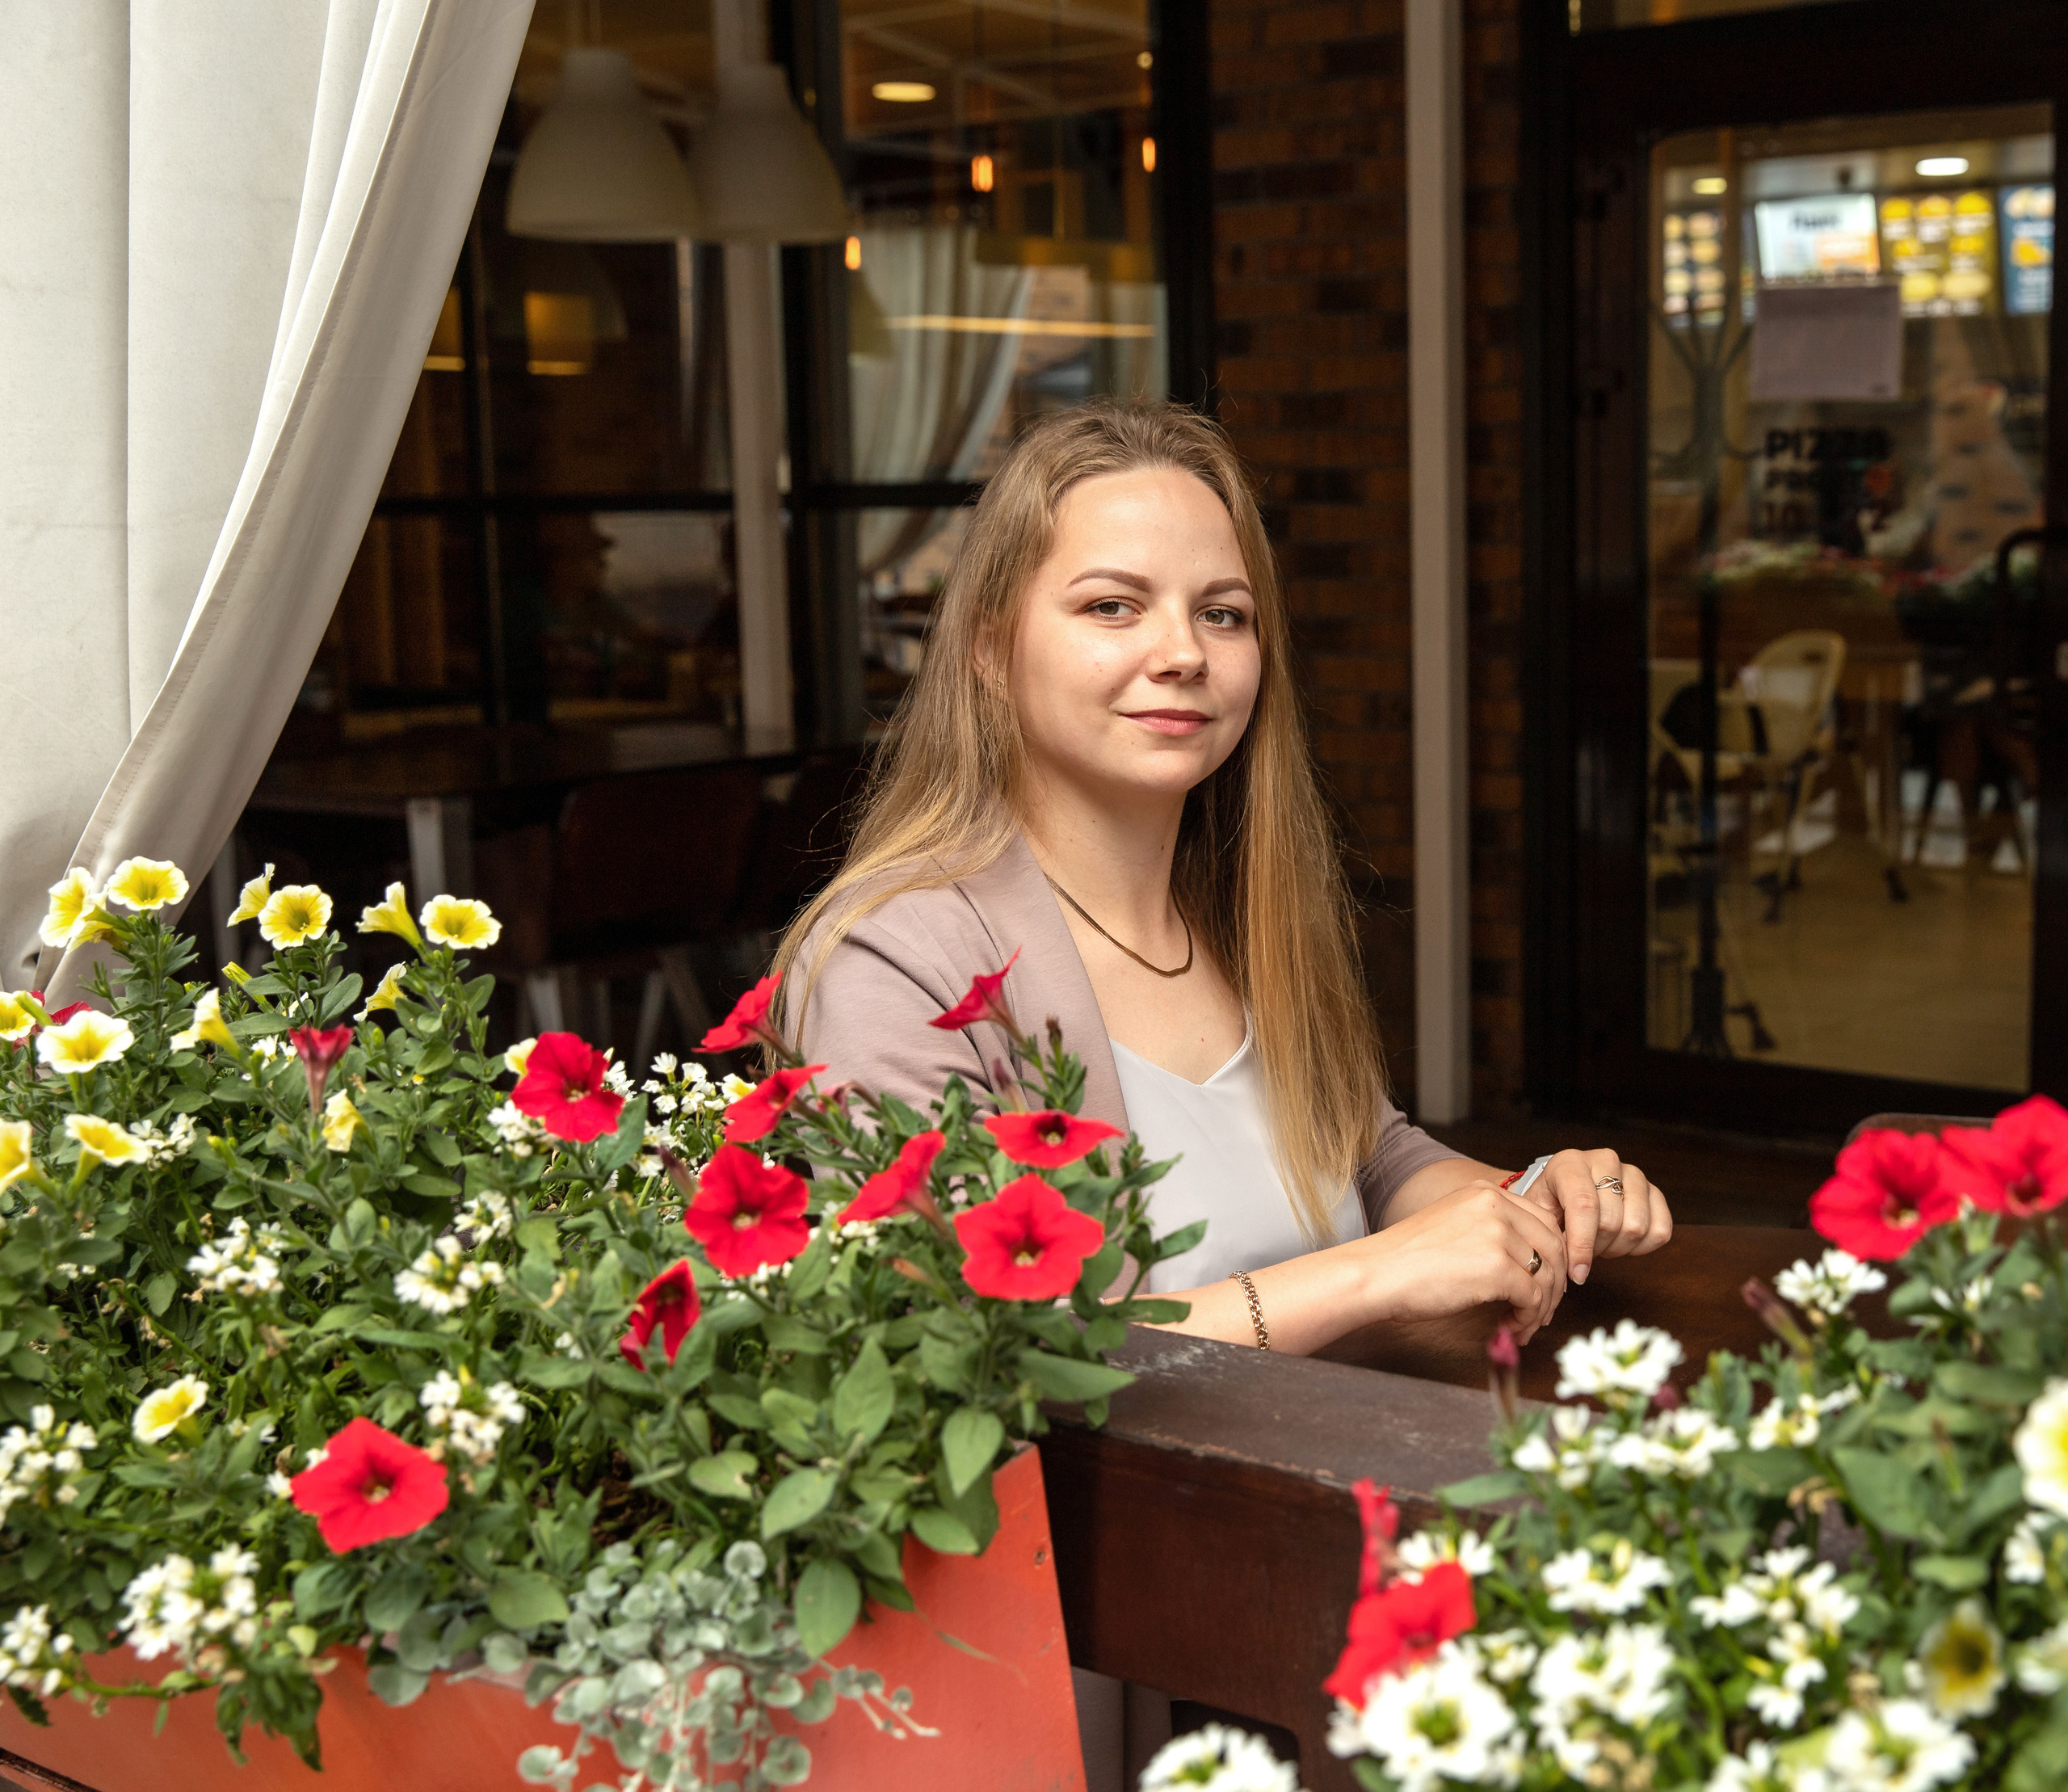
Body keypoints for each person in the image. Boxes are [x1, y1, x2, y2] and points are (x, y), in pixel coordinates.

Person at [773, 402, 1672, 1783]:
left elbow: (1362, 1150)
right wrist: (1383, 1274)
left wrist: (1513, 1203)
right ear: (989, 646)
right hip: (1083, 1652)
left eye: (1224, 611)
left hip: (1295, 1594)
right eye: (1111, 604)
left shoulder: (1246, 914)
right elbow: (977, 1359)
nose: (1181, 653)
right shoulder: (898, 954)